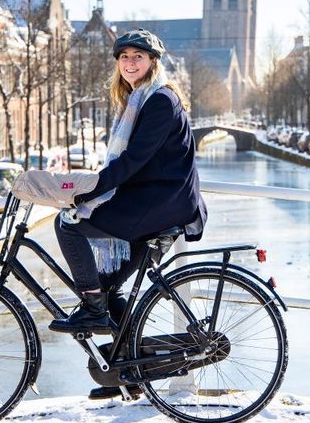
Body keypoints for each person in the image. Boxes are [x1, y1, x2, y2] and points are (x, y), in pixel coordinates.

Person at [49, 29, 207, 393]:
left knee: (68, 223)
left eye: (138, 56)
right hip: (155, 198)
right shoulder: (140, 100)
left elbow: (133, 161)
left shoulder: (159, 101)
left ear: (152, 62)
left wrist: (88, 191)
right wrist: (91, 188)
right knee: (110, 286)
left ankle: (92, 309)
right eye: (124, 57)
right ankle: (127, 373)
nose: (130, 63)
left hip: (162, 202)